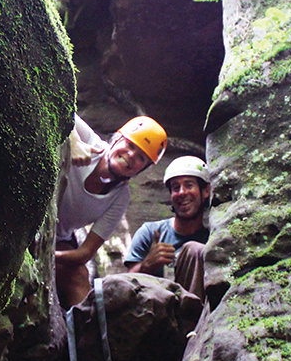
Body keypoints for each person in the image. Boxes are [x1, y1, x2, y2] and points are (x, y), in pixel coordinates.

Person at [55, 114, 167, 308]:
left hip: (57, 239)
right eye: (130, 145)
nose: (131, 155)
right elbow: (62, 106)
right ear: (116, 139)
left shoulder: (119, 197)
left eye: (141, 157)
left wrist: (49, 255)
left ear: (143, 168)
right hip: (29, 212)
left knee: (80, 275)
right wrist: (74, 141)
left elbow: (85, 252)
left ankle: (84, 333)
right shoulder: (89, 141)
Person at [124, 156, 210, 302]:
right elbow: (126, 283)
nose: (182, 192)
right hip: (153, 314)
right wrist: (147, 265)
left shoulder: (212, 240)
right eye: (176, 188)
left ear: (206, 191)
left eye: (189, 185)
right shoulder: (150, 232)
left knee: (194, 250)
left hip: (197, 318)